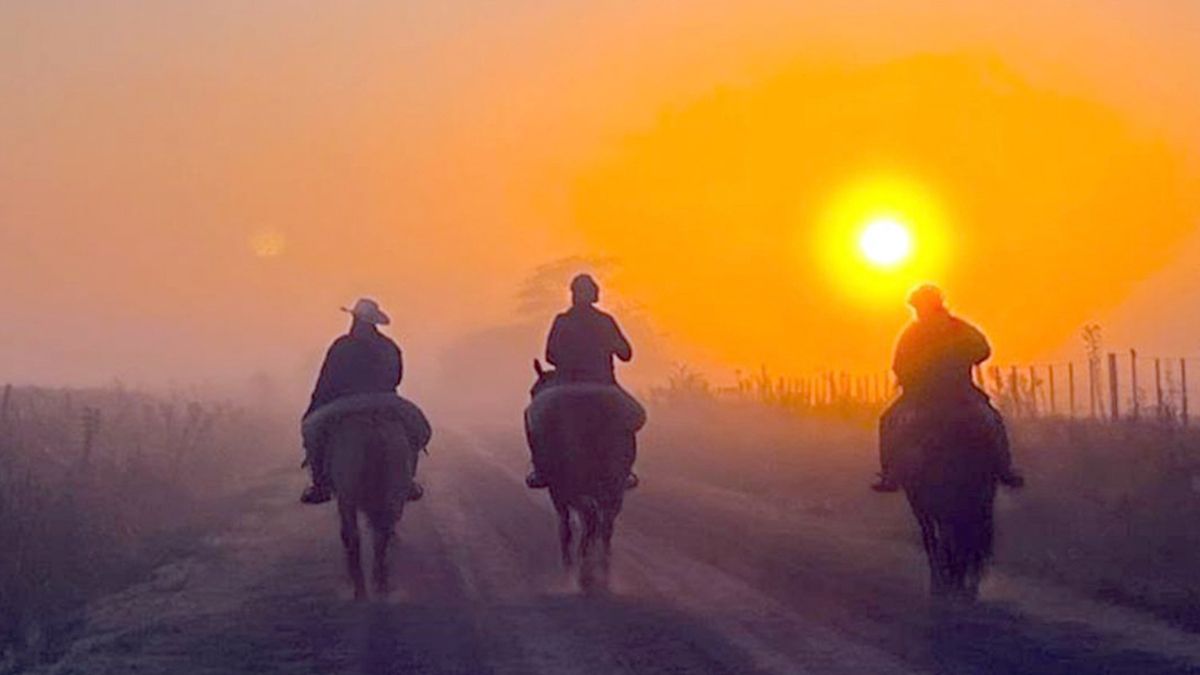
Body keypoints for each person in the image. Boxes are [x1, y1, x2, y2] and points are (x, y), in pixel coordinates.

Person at [872, 284, 1022, 492]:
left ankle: (889, 475)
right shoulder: (957, 327)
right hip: (960, 394)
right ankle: (1005, 470)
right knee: (991, 419)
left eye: (919, 307)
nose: (918, 311)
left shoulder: (915, 333)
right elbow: (983, 350)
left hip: (926, 397)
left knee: (889, 421)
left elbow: (898, 366)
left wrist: (915, 376)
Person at [300, 298, 425, 504]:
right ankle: (408, 480)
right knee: (416, 429)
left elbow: (326, 381)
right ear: (375, 321)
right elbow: (396, 377)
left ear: (355, 319)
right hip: (386, 400)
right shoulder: (389, 347)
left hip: (345, 402)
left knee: (312, 431)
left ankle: (320, 486)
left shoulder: (341, 346)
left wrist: (313, 408)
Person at [526, 274, 639, 489]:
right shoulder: (606, 321)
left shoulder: (562, 321)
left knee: (534, 418)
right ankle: (625, 472)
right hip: (605, 388)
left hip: (564, 388)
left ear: (572, 295)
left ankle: (540, 470)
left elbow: (550, 356)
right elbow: (626, 354)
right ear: (596, 295)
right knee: (630, 420)